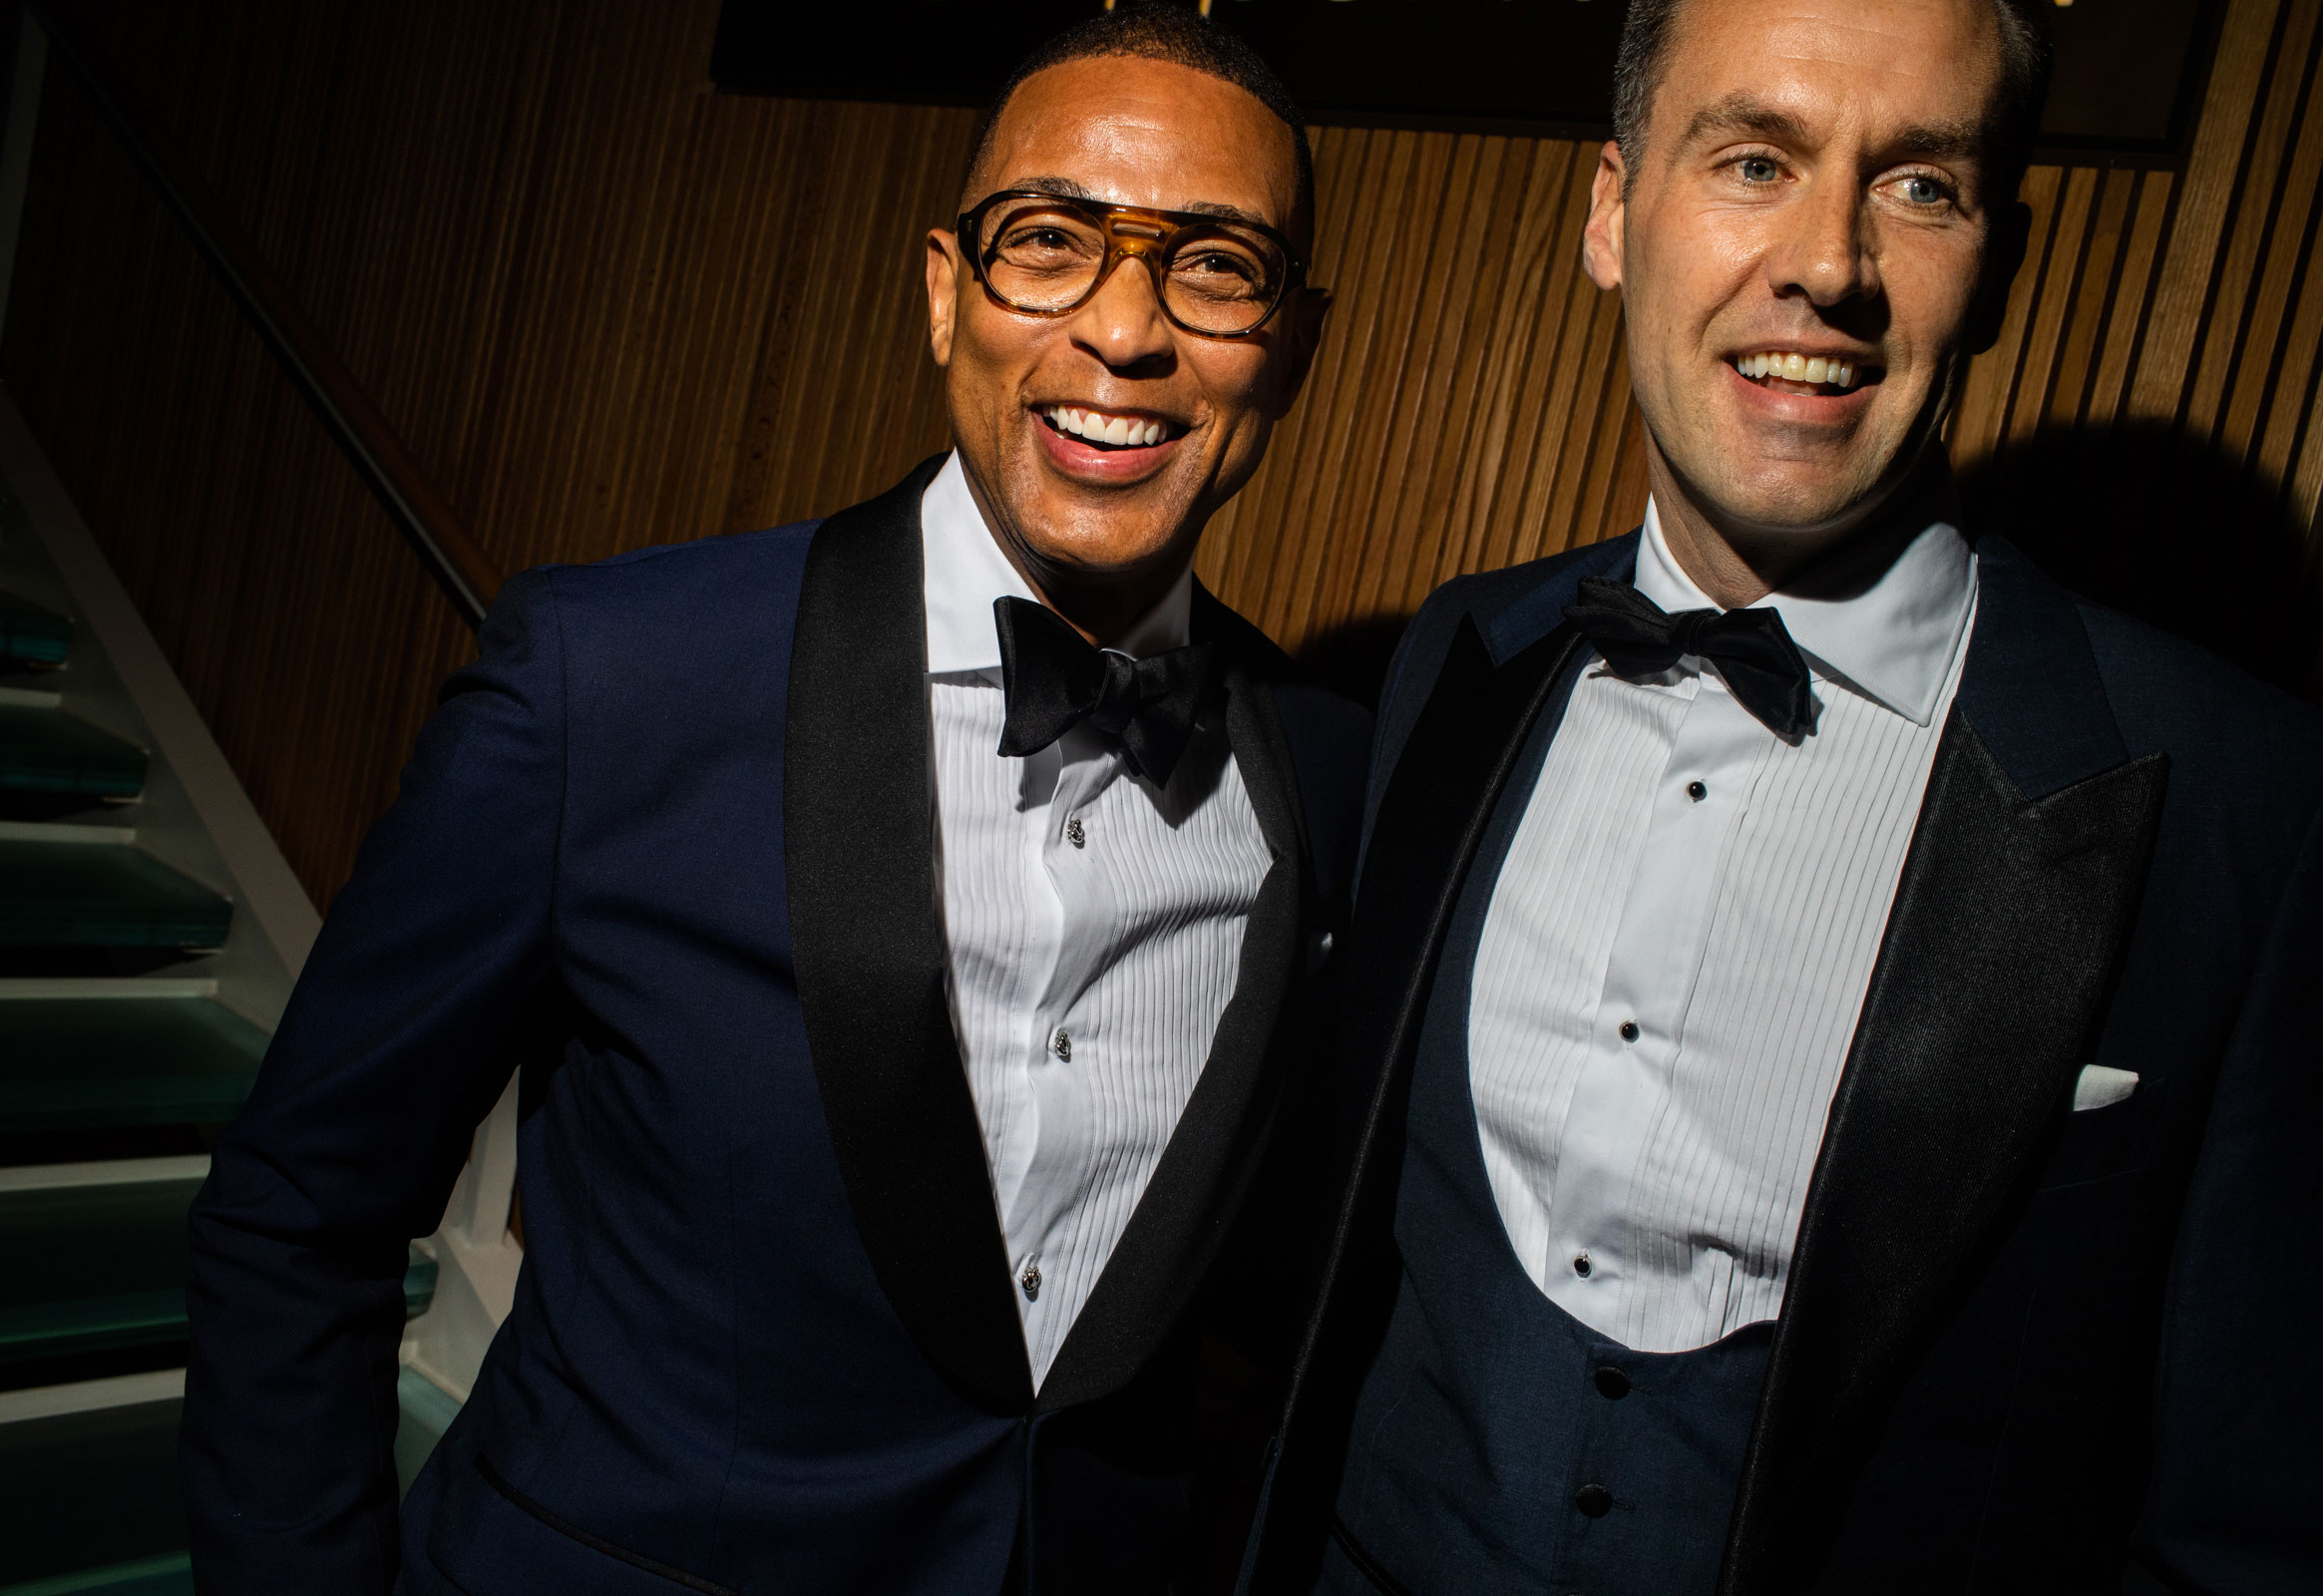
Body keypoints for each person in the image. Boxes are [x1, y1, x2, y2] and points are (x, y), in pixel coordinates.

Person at [180, 10, 1368, 1593]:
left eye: (1216, 265)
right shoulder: (609, 684)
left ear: (1291, 343)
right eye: (1050, 243)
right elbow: (297, 1214)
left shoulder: (1330, 773)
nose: (1125, 331)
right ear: (946, 292)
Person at [1242, 0, 2323, 1591]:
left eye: (1920, 186)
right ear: (1614, 213)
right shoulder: (1458, 659)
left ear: (2001, 261)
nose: (1830, 261)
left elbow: (2247, 1527)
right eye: (1756, 158)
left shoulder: (2250, 808)